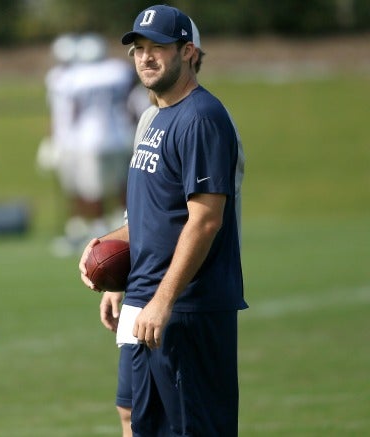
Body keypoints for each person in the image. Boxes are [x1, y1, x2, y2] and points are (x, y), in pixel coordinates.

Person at [79, 5, 247, 436]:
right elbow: (150, 217)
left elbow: (205, 220)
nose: (145, 57)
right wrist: (118, 270)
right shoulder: (154, 117)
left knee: (193, 428)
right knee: (138, 421)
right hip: (144, 300)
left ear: (188, 52)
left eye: (159, 48)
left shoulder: (201, 118)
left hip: (186, 307)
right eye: (139, 48)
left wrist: (163, 299)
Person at [42, 33, 149, 257]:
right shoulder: (118, 70)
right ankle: (127, 229)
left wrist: (54, 139)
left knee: (92, 191)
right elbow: (134, 97)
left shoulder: (70, 77)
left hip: (87, 140)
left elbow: (70, 112)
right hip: (121, 135)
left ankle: (102, 234)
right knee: (123, 186)